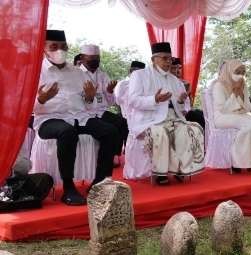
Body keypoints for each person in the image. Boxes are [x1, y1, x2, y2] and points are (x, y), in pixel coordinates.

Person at [33, 30, 120, 205]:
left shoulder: (77, 72)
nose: (60, 50)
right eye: (54, 47)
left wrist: (89, 97)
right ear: (43, 49)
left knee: (110, 131)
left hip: (79, 117)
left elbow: (88, 105)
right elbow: (25, 107)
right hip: (48, 119)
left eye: (63, 47)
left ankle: (100, 182)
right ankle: (68, 187)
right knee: (67, 132)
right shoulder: (35, 71)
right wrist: (41, 99)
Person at [127, 42, 205, 185]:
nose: (169, 62)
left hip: (173, 117)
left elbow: (185, 106)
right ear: (153, 59)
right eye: (164, 58)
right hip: (149, 119)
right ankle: (160, 173)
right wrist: (154, 99)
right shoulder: (140, 75)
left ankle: (180, 167)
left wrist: (181, 101)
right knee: (160, 132)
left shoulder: (174, 80)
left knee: (191, 129)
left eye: (170, 59)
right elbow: (132, 100)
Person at [212, 59, 251, 172]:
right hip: (222, 117)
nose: (241, 75)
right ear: (229, 70)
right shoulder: (219, 85)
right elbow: (222, 109)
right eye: (238, 72)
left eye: (243, 73)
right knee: (248, 128)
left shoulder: (243, 84)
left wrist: (241, 94)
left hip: (240, 115)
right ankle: (237, 162)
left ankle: (248, 160)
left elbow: (247, 107)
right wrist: (235, 94)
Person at [170, 57, 205, 129]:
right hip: (173, 114)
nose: (177, 71)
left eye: (179, 68)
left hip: (185, 112)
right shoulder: (166, 83)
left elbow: (188, 103)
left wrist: (186, 110)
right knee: (196, 115)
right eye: (173, 68)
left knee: (201, 114)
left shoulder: (183, 84)